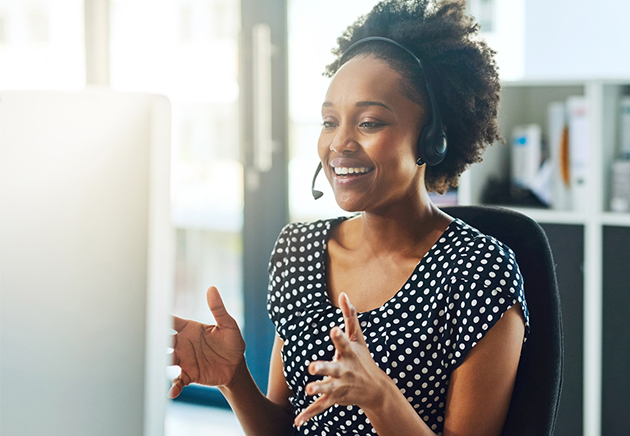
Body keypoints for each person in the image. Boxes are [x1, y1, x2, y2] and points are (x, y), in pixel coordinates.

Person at [169, 1, 530, 435]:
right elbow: (287, 428)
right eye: (329, 121)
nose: (339, 143)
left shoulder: (479, 274)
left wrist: (380, 398)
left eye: (370, 122)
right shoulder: (297, 254)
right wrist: (234, 380)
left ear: (432, 137)